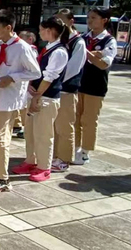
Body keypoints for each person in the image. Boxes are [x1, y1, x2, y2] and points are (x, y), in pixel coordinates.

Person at [0, 9, 40, 193]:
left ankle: (0, 178)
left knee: (0, 138)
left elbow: (35, 72)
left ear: (8, 27)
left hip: (7, 99)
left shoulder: (21, 47)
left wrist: (13, 77)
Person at [12, 17, 69, 183]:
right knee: (30, 132)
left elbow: (50, 76)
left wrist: (37, 96)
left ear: (49, 30)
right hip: (36, 95)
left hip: (47, 98)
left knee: (44, 134)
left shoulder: (59, 51)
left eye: (41, 29)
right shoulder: (48, 49)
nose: (39, 32)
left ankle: (44, 166)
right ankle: (31, 160)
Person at [73, 7, 117, 165]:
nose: (89, 21)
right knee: (75, 118)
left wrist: (88, 54)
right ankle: (75, 148)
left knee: (89, 119)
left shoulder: (109, 40)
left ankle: (85, 151)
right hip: (79, 83)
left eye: (93, 17)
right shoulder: (83, 38)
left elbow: (103, 64)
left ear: (104, 20)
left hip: (96, 86)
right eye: (89, 17)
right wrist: (94, 54)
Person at [52, 9, 87, 171]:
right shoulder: (59, 40)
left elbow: (73, 68)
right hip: (55, 88)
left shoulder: (78, 42)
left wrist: (55, 80)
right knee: (54, 125)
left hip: (67, 88)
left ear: (70, 21)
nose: (59, 24)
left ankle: (65, 158)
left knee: (65, 125)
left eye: (61, 20)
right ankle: (54, 155)